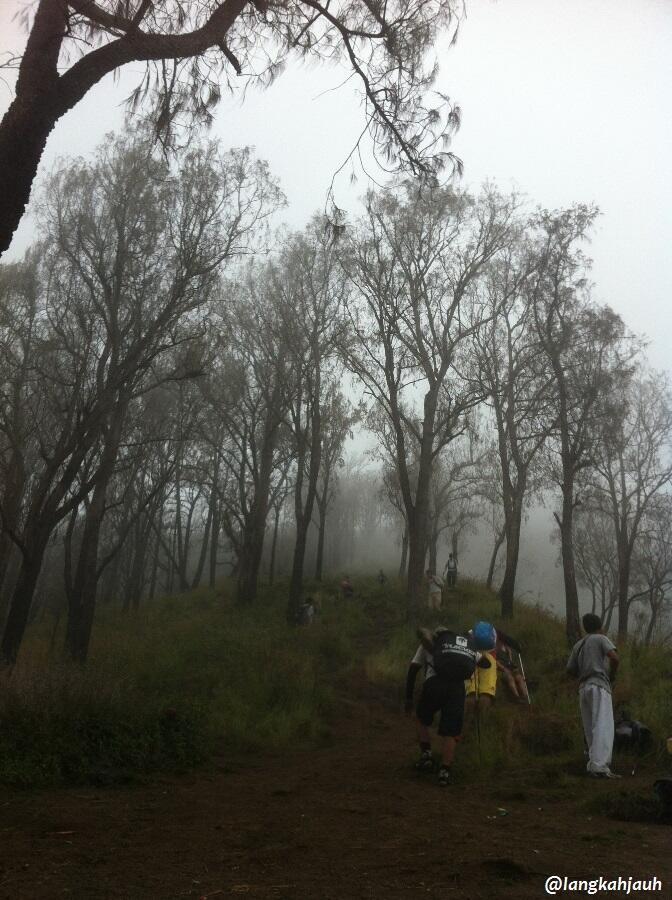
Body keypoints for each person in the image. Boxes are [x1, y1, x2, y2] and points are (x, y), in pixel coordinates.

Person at [405, 623, 494, 786]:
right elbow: (486, 664)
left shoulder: (427, 643)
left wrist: (408, 698)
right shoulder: (464, 647)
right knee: (451, 731)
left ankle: (426, 756)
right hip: (457, 689)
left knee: (420, 717)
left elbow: (413, 668)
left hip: (434, 685)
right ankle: (445, 771)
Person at [566, 613, 620, 778]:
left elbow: (569, 669)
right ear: (600, 626)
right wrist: (612, 676)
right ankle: (600, 767)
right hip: (599, 686)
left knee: (590, 728)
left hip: (584, 688)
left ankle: (593, 764)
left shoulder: (579, 645)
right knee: (603, 725)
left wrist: (584, 674)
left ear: (585, 627)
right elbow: (615, 658)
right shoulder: (600, 638)